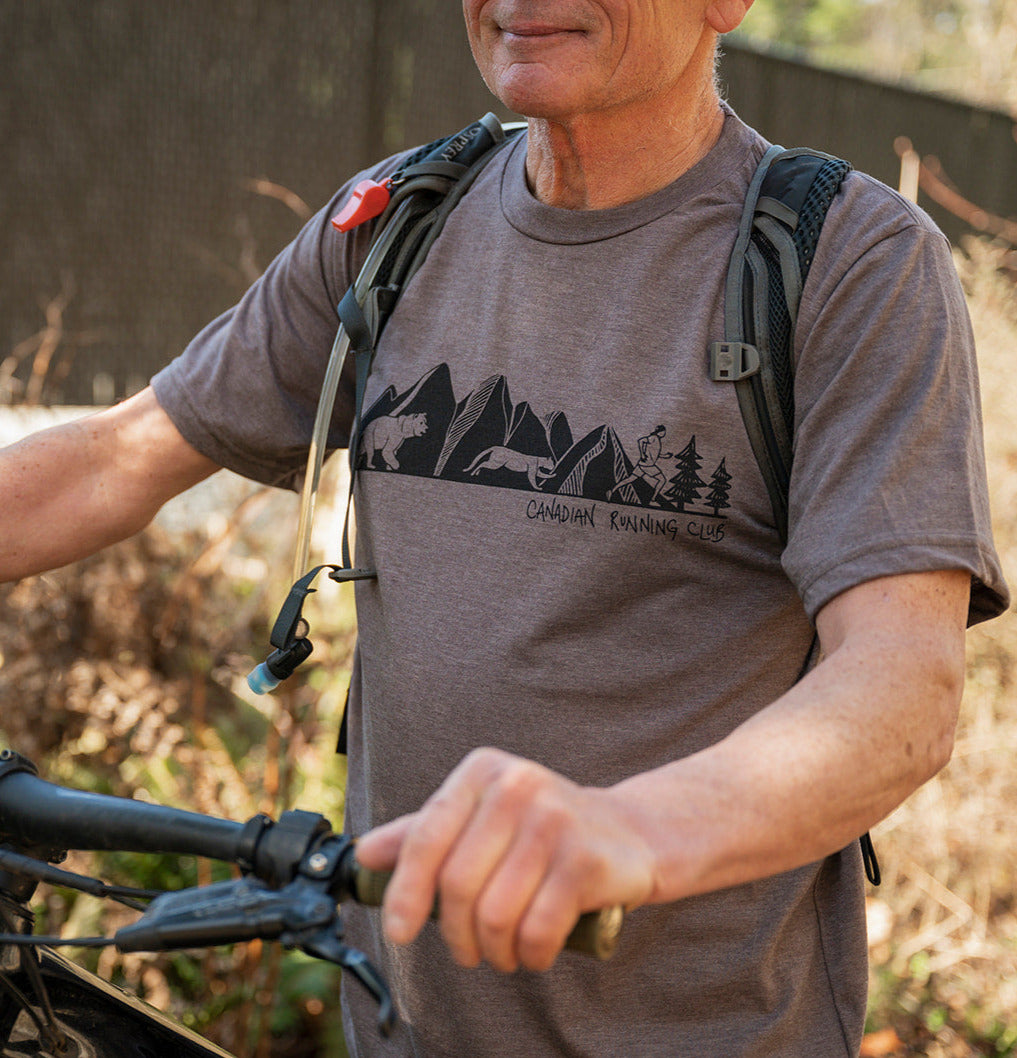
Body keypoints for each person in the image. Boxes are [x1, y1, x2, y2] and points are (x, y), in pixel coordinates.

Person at [1, 2, 1009, 1055]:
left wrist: (632, 827)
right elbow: (117, 456)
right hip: (400, 1026)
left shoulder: (848, 261)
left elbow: (902, 688)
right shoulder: (398, 221)